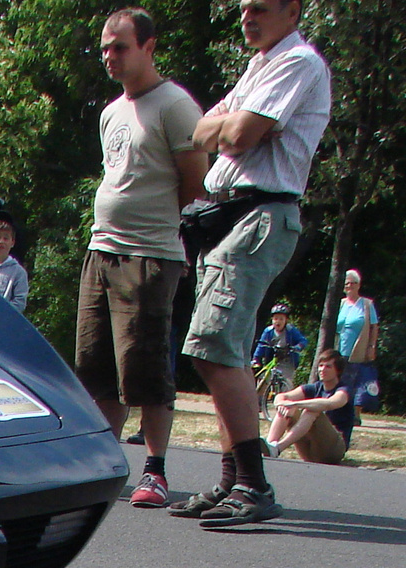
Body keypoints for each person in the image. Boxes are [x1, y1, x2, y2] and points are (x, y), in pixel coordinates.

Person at [170, 0, 331, 529]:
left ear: (293, 9)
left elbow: (234, 136)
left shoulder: (298, 62)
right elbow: (199, 132)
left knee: (215, 348)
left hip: (259, 214)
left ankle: (254, 483)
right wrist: (228, 124)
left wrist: (230, 125)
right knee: (229, 352)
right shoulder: (260, 66)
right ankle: (231, 480)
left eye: (259, 8)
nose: (247, 18)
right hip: (230, 217)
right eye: (242, 9)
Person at [75, 7, 207, 509]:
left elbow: (195, 184)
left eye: (121, 47)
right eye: (105, 48)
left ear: (149, 47)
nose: (110, 56)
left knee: (145, 369)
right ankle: (106, 467)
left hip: (150, 255)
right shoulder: (111, 112)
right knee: (97, 368)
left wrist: (155, 229)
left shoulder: (175, 105)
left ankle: (155, 470)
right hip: (100, 251)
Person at [264, 347, 356, 463]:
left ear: (338, 370)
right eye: (321, 366)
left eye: (328, 366)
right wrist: (282, 404)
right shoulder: (316, 387)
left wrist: (296, 404)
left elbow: (331, 403)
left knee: (311, 410)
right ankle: (268, 447)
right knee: (286, 408)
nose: (322, 369)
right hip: (311, 451)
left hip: (333, 450)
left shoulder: (344, 389)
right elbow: (282, 396)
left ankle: (278, 448)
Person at [335, 268, 380, 411]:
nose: (349, 286)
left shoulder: (366, 304)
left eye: (353, 283)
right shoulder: (340, 304)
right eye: (346, 284)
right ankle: (339, 409)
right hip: (340, 349)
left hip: (358, 349)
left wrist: (372, 347)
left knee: (357, 381)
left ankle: (355, 413)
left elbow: (374, 326)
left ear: (358, 285)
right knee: (340, 380)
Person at [251, 302, 308, 384]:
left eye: (281, 319)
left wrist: (297, 347)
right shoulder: (268, 331)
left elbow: (303, 341)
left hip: (287, 360)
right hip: (272, 359)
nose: (278, 321)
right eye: (276, 319)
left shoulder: (290, 330)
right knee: (263, 379)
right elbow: (261, 345)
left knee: (286, 382)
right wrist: (256, 358)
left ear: (286, 320)